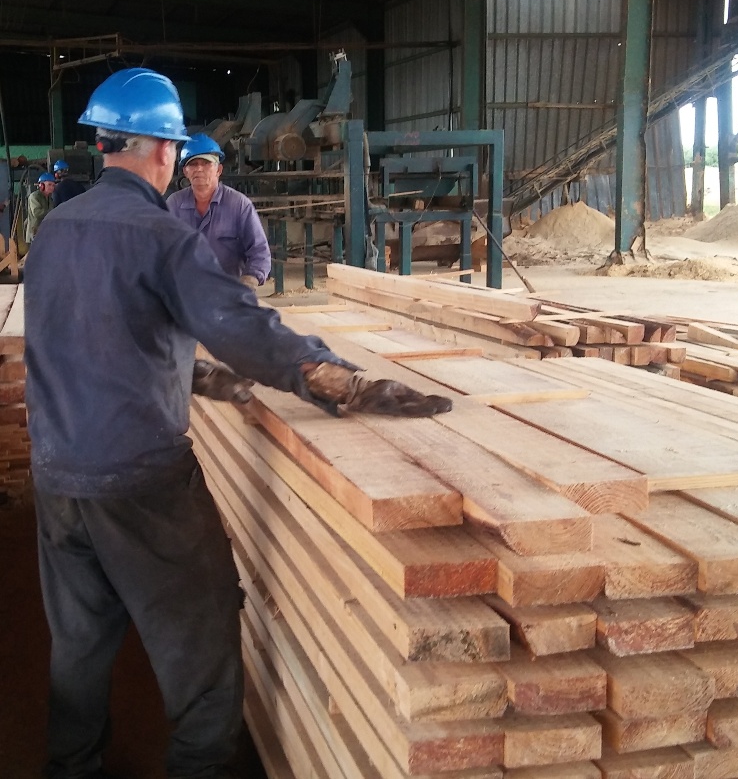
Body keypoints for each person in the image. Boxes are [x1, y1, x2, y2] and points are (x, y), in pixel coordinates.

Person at [23, 67, 450, 779]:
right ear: (164, 151)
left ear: (103, 146)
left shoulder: (55, 231)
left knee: (79, 647)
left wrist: (189, 375)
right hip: (142, 485)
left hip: (58, 483)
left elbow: (81, 339)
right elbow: (238, 322)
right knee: (202, 641)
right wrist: (330, 376)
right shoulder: (162, 236)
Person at [166, 134, 271, 290]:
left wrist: (250, 280)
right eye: (193, 164)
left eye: (206, 163)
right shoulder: (174, 204)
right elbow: (159, 249)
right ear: (185, 171)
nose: (199, 169)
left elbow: (259, 252)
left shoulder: (239, 205)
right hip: (184, 292)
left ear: (218, 170)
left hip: (228, 292)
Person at [24, 171, 56, 249]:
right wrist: (53, 212)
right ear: (41, 185)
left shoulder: (50, 199)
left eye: (53, 185)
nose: (52, 187)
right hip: (35, 232)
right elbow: (37, 213)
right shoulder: (34, 197)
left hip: (44, 232)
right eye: (49, 184)